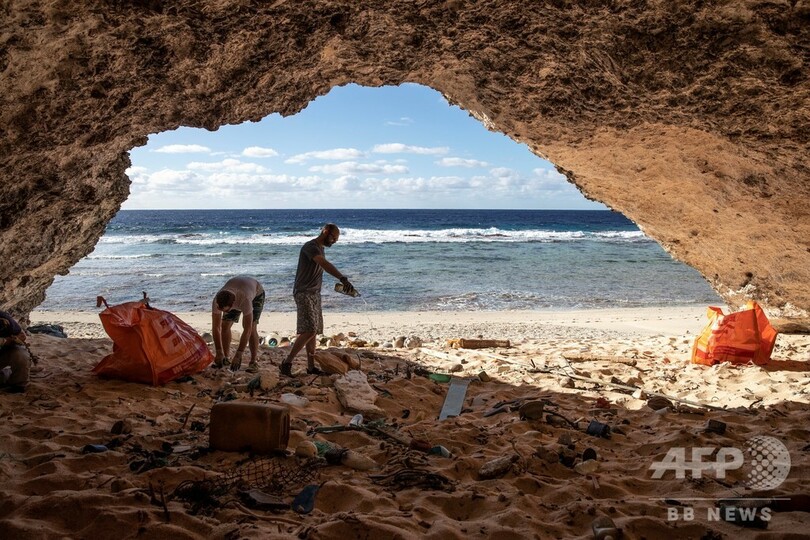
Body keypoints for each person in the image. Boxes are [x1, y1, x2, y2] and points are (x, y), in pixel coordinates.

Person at [280, 223, 356, 376]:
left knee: (313, 331)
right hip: (303, 292)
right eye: (333, 238)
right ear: (325, 231)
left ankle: (311, 367)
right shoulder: (311, 247)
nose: (334, 241)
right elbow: (324, 264)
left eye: (336, 239)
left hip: (315, 293)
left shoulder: (320, 248)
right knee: (309, 329)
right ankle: (287, 363)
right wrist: (342, 278)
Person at [211, 276, 265, 373]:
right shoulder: (217, 301)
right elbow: (216, 327)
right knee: (225, 325)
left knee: (252, 327)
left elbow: (247, 329)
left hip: (256, 292)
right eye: (220, 309)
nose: (222, 312)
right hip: (237, 289)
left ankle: (253, 362)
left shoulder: (245, 300)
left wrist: (239, 354)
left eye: (225, 310)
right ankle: (226, 357)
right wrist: (219, 351)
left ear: (232, 306)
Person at [0, 310, 31, 391]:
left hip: (3, 353)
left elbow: (22, 335)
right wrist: (4, 341)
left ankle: (18, 383)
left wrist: (12, 340)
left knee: (20, 354)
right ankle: (6, 373)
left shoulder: (4, 318)